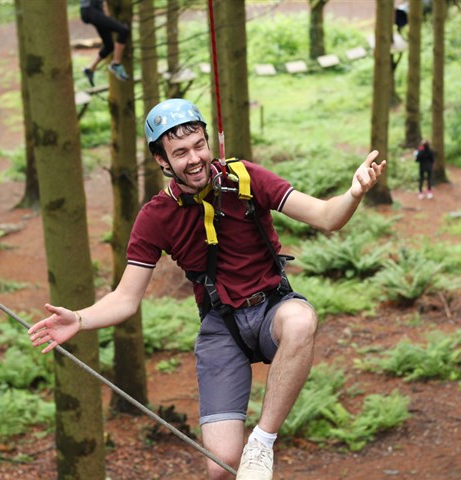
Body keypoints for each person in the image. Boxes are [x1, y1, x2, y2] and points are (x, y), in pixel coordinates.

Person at [28, 98, 386, 480]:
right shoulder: (156, 217)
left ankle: (261, 446)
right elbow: (125, 298)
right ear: (162, 161)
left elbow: (326, 217)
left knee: (300, 320)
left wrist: (354, 193)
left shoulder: (244, 179)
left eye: (199, 145)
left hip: (271, 309)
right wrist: (80, 319)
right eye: (180, 153)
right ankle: (239, 456)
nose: (195, 158)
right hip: (221, 328)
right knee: (219, 467)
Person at [79, 0, 129, 85]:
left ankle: (90, 69)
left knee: (109, 46)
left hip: (95, 12)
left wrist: (106, 16)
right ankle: (116, 64)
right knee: (123, 30)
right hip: (91, 10)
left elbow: (104, 2)